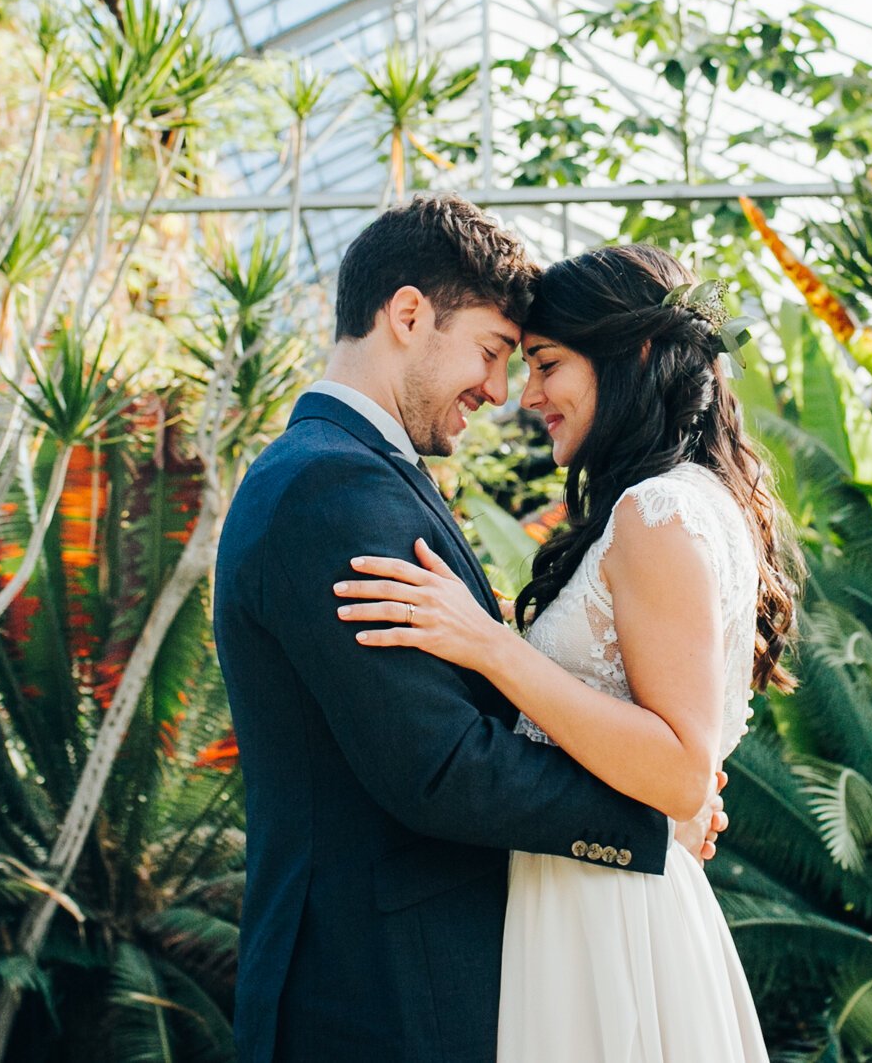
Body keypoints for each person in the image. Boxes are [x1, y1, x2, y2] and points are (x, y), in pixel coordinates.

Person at [214, 197, 728, 1063]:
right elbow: (442, 764)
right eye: (493, 351)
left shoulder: (359, 475)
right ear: (409, 314)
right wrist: (650, 819)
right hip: (374, 999)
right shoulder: (328, 490)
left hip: (409, 982)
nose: (501, 392)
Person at [336, 242, 803, 1062]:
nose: (527, 394)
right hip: (593, 901)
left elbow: (681, 770)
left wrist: (490, 647)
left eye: (547, 363)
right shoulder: (675, 502)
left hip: (609, 921)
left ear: (638, 355)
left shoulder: (659, 513)